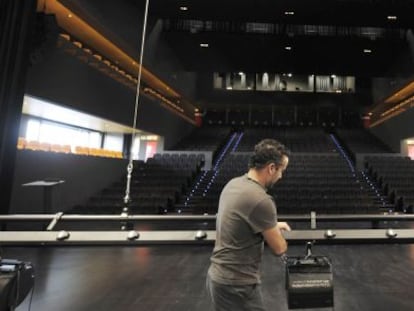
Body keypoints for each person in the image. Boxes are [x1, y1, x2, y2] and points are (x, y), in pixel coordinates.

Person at [206, 138, 291, 311]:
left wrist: (271, 225)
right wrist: (276, 233)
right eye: (282, 170)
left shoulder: (233, 184)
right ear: (271, 168)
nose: (281, 176)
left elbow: (244, 220)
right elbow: (279, 248)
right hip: (237, 285)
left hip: (218, 277)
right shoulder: (261, 200)